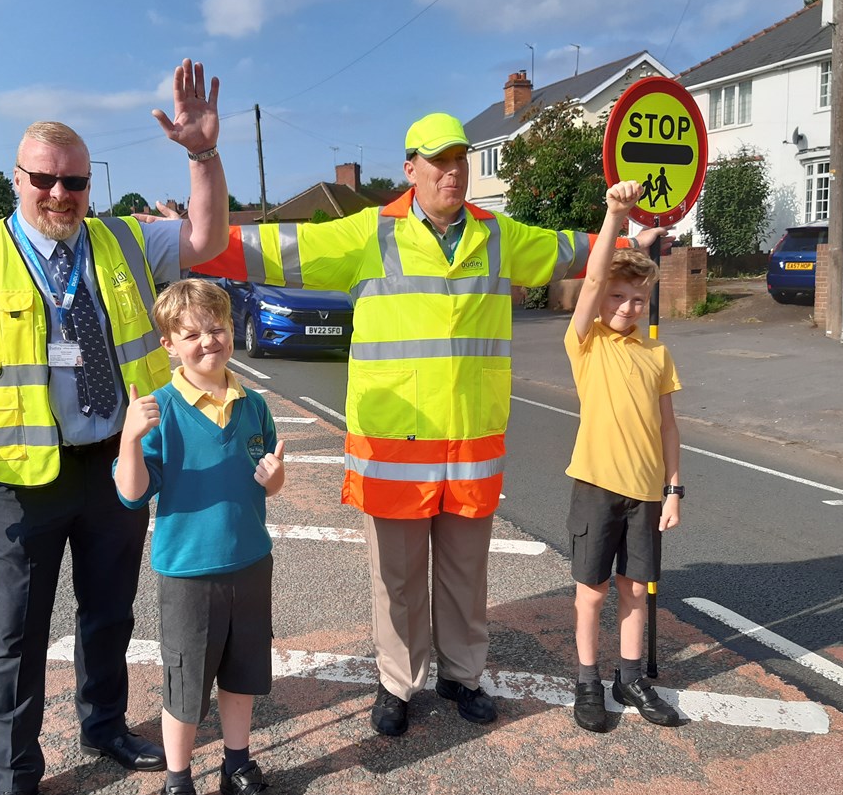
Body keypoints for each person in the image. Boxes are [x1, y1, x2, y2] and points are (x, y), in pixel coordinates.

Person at [189, 112, 666, 737]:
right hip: (393, 446)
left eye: (461, 158)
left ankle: (463, 676)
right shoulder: (370, 233)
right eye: (439, 161)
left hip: (470, 443)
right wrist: (182, 237)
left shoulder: (498, 235)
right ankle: (397, 683)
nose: (454, 171)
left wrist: (622, 230)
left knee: (467, 575)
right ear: (410, 169)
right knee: (398, 581)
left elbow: (572, 252)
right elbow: (269, 248)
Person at [0, 59, 229, 795]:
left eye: (75, 182)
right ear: (16, 179)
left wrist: (202, 157)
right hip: (20, 480)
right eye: (45, 180)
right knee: (17, 632)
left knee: (109, 611)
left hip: (114, 465)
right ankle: (15, 779)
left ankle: (104, 725)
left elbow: (206, 237)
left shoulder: (118, 239)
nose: (61, 195)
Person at [113, 279, 287, 795]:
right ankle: (177, 786)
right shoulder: (159, 409)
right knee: (186, 686)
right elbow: (132, 494)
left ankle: (236, 769)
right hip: (188, 571)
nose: (208, 342)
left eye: (217, 329)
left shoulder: (253, 403)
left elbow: (269, 468)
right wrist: (131, 442)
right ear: (168, 343)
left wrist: (276, 478)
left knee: (241, 677)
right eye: (191, 334)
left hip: (250, 562)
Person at [564, 180, 683, 734]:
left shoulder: (657, 353)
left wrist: (673, 489)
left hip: (645, 491)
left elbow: (667, 425)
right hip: (595, 484)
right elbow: (591, 281)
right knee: (593, 591)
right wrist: (617, 217)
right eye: (618, 296)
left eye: (637, 298)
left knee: (636, 589)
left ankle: (629, 677)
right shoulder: (586, 343)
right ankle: (588, 680)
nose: (627, 306)